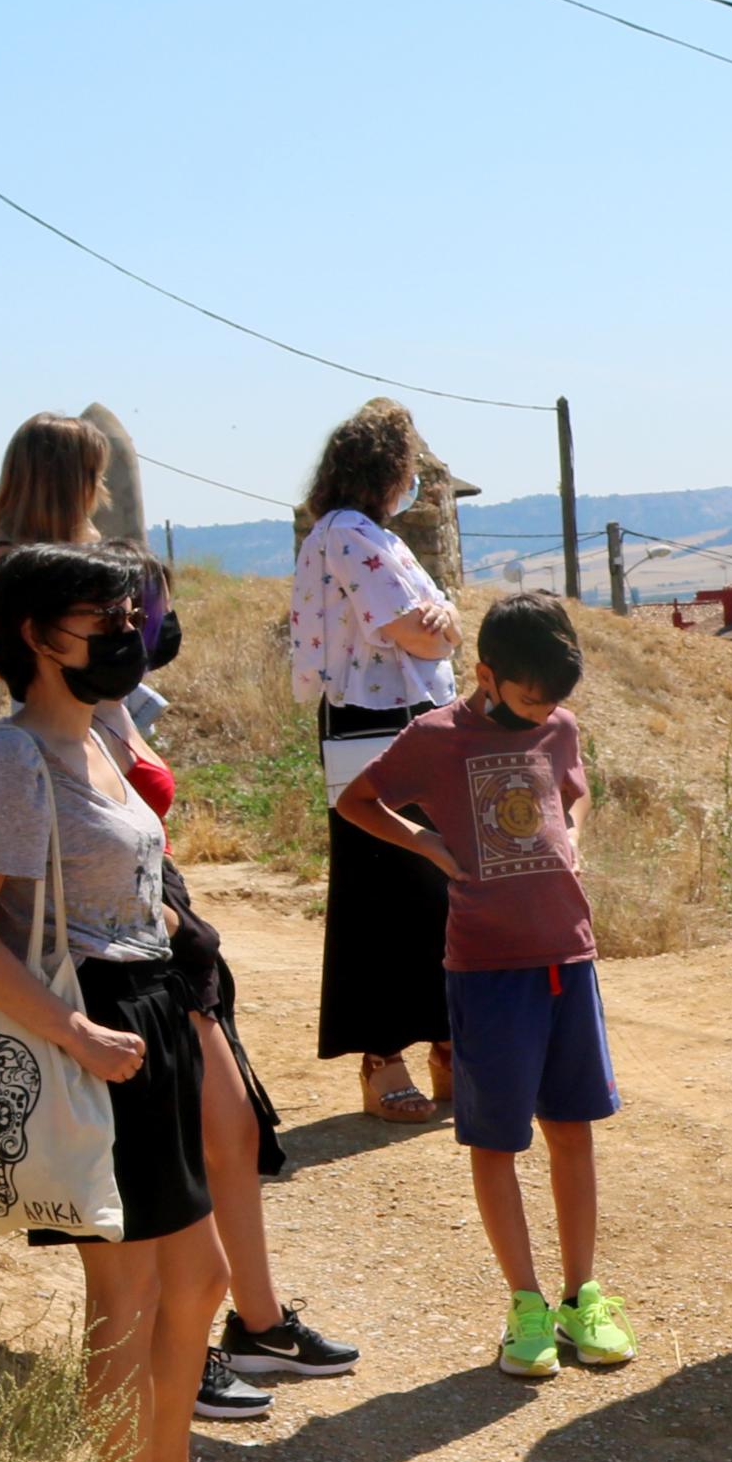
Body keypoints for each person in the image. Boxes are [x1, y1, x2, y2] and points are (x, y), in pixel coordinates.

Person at [0, 415, 363, 1423]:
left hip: (141, 884)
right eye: (93, 480)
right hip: (108, 930)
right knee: (173, 1182)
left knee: (222, 1128)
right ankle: (170, 1408)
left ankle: (236, 1333)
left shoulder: (80, 587)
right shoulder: (35, 606)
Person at [0, 542, 273, 1462]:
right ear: (37, 636)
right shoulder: (12, 756)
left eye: (130, 618)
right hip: (97, 1034)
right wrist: (73, 1033)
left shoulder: (91, 739)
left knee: (202, 1280)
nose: (126, 638)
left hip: (151, 1014)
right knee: (125, 1299)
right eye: (102, 622)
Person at [331, 591, 637, 1381]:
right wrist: (428, 845)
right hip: (487, 968)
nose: (544, 712)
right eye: (530, 698)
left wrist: (574, 830)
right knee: (497, 1137)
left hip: (567, 958)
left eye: (554, 701)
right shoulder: (434, 737)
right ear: (487, 674)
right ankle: (525, 1303)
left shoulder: (558, 725)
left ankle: (582, 1295)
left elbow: (575, 786)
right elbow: (356, 799)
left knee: (574, 1127)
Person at [292, 401, 463, 1125]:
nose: (414, 481)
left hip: (400, 720)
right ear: (386, 470)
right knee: (384, 893)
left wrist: (443, 623)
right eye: (409, 469)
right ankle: (383, 1057)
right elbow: (417, 632)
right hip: (374, 722)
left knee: (431, 889)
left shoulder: (371, 535)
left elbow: (445, 625)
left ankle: (448, 1043)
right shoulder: (347, 535)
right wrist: (440, 625)